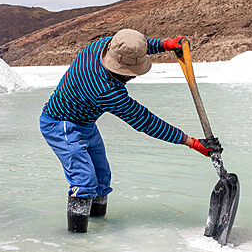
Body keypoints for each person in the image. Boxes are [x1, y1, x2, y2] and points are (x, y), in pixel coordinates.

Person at [39, 28, 221, 233]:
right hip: (60, 124)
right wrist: (192, 143)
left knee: (102, 177)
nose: (132, 78)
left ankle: (99, 227)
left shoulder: (101, 46)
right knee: (84, 180)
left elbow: (135, 46)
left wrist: (166, 45)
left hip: (85, 124)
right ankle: (79, 243)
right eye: (130, 73)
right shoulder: (105, 90)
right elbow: (147, 122)